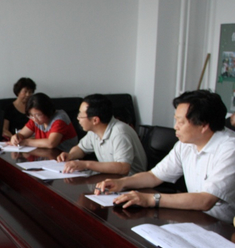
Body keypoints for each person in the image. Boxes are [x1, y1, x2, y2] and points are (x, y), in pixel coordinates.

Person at [96, 90, 235, 220]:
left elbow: (205, 200)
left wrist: (150, 199)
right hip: (196, 218)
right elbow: (154, 176)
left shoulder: (230, 148)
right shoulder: (186, 143)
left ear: (204, 125)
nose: (175, 127)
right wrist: (121, 183)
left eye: (181, 122)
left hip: (223, 227)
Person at [57, 94, 147, 175]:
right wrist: (70, 155)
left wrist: (86, 164)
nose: (78, 118)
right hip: (112, 178)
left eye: (81, 115)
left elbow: (123, 168)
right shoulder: (94, 131)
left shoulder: (120, 133)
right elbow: (81, 148)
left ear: (95, 120)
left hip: (132, 182)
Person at [10, 93, 78, 152]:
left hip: (66, 156)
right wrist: (16, 137)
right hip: (47, 155)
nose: (34, 119)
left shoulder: (60, 119)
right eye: (31, 115)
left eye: (38, 115)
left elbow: (51, 143)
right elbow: (22, 134)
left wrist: (27, 142)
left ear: (47, 110)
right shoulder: (35, 119)